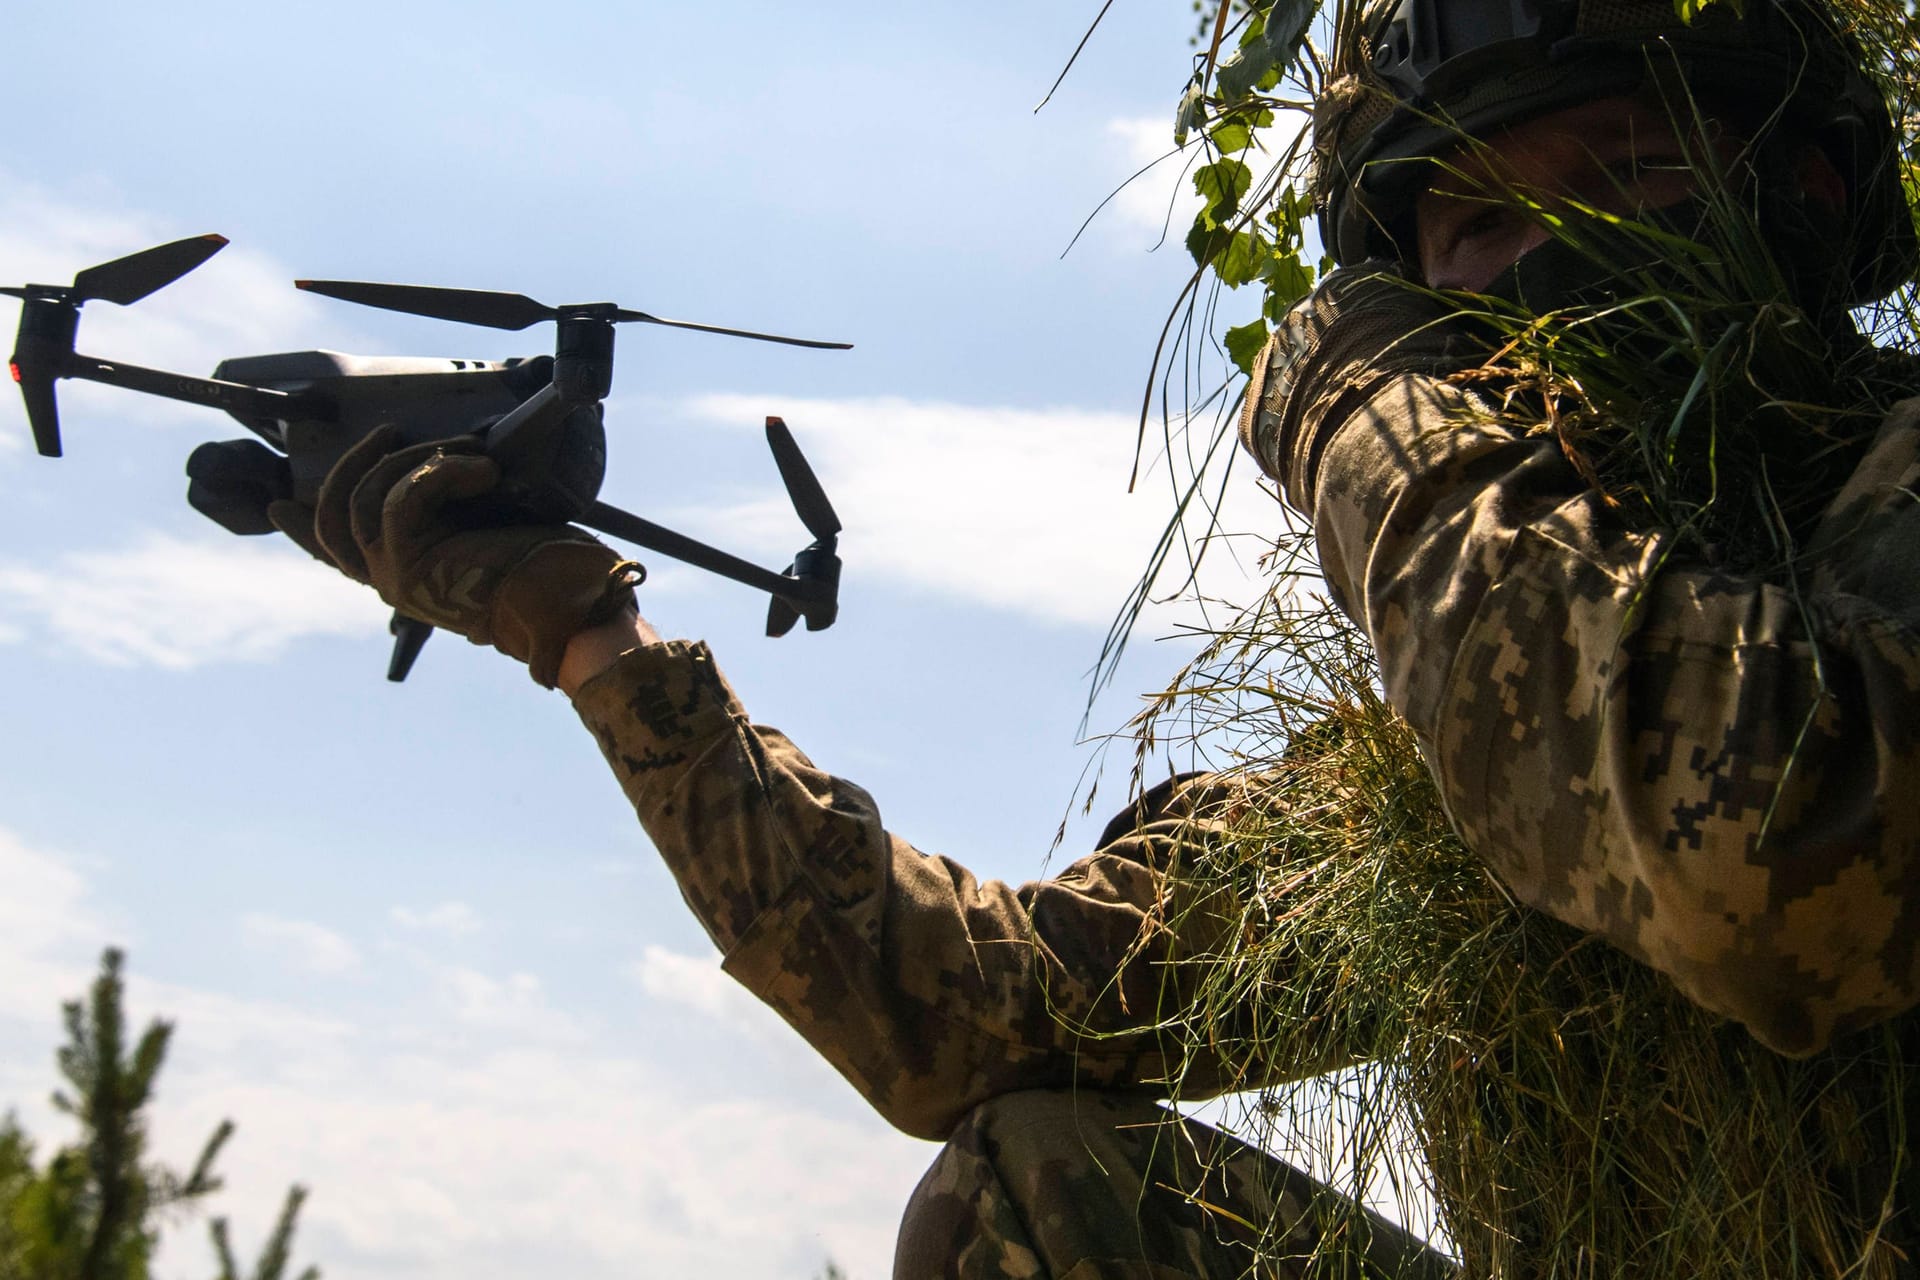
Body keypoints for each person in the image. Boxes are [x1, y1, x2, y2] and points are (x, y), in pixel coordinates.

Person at [267, 0, 1919, 1271]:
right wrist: (586, 637)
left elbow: (1761, 867)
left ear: (1803, 186)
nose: (1547, 264)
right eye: (1471, 231)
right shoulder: (1446, 760)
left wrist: (1361, 408)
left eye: (1623, 168)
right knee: (1045, 1189)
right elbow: (954, 1009)